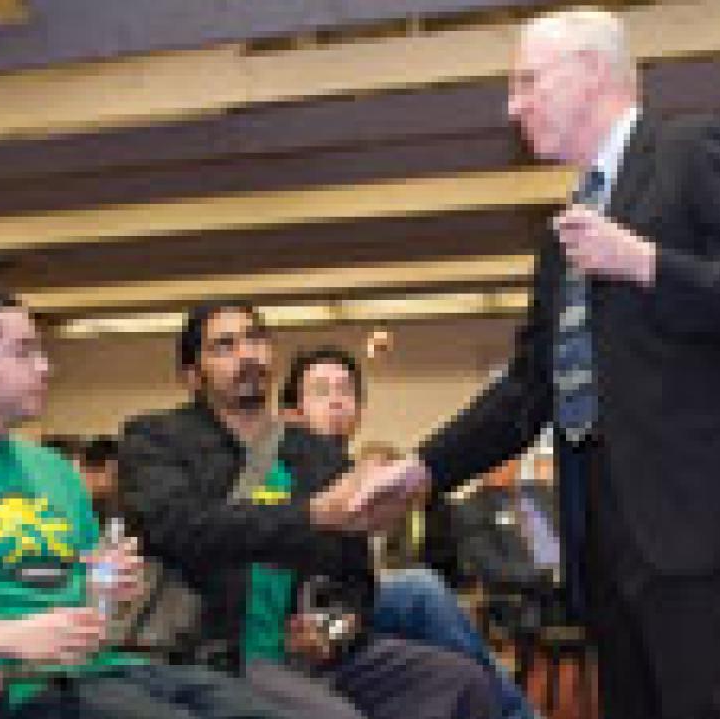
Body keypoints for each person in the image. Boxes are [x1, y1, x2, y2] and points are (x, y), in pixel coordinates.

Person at [352, 9, 720, 719]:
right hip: (601, 538)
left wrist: (646, 262)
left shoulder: (695, 149)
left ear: (593, 72)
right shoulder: (562, 234)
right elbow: (527, 390)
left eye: (528, 82)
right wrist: (422, 469)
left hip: (699, 532)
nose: (513, 105)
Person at [0, 291, 293, 719]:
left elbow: (82, 595)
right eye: (24, 352)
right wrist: (9, 638)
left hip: (98, 670)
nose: (45, 367)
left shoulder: (53, 470)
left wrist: (104, 586)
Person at [119, 302, 497, 719]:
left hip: (313, 654)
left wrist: (333, 629)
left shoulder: (315, 455)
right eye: (224, 346)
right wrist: (310, 516)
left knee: (461, 681)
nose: (247, 354)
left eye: (255, 339)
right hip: (215, 652)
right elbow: (179, 527)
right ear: (192, 376)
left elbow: (355, 576)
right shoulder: (156, 439)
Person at [280, 346, 539, 719]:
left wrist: (350, 612)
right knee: (420, 587)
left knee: (435, 616)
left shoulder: (353, 474)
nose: (337, 400)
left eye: (346, 391)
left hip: (346, 608)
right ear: (292, 413)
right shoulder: (279, 474)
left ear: (359, 411)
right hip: (295, 617)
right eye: (322, 391)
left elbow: (355, 575)